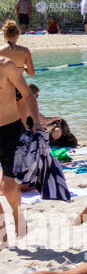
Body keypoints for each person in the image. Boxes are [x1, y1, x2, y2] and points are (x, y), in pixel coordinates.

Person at [0, 53, 37, 242]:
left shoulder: (5, 65)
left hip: (9, 130)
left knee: (8, 188)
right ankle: (2, 235)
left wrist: (36, 121)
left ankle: (18, 216)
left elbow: (27, 93)